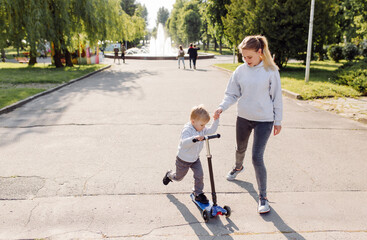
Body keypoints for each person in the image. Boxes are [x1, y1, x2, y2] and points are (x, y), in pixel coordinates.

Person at [214, 35, 283, 214]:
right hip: (243, 117)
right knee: (240, 148)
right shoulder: (240, 71)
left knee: (256, 157)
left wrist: (278, 120)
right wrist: (222, 107)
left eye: (249, 57)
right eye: (243, 57)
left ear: (260, 52)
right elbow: (232, 93)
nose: (246, 60)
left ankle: (263, 198)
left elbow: (277, 98)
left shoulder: (271, 71)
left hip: (264, 120)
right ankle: (238, 167)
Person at [163, 105, 220, 204]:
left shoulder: (201, 128)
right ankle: (169, 175)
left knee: (199, 175)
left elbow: (211, 130)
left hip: (195, 159)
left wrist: (216, 120)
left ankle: (198, 193)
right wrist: (195, 138)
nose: (204, 127)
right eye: (202, 125)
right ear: (193, 121)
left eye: (204, 125)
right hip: (183, 159)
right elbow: (184, 142)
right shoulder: (187, 129)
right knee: (179, 177)